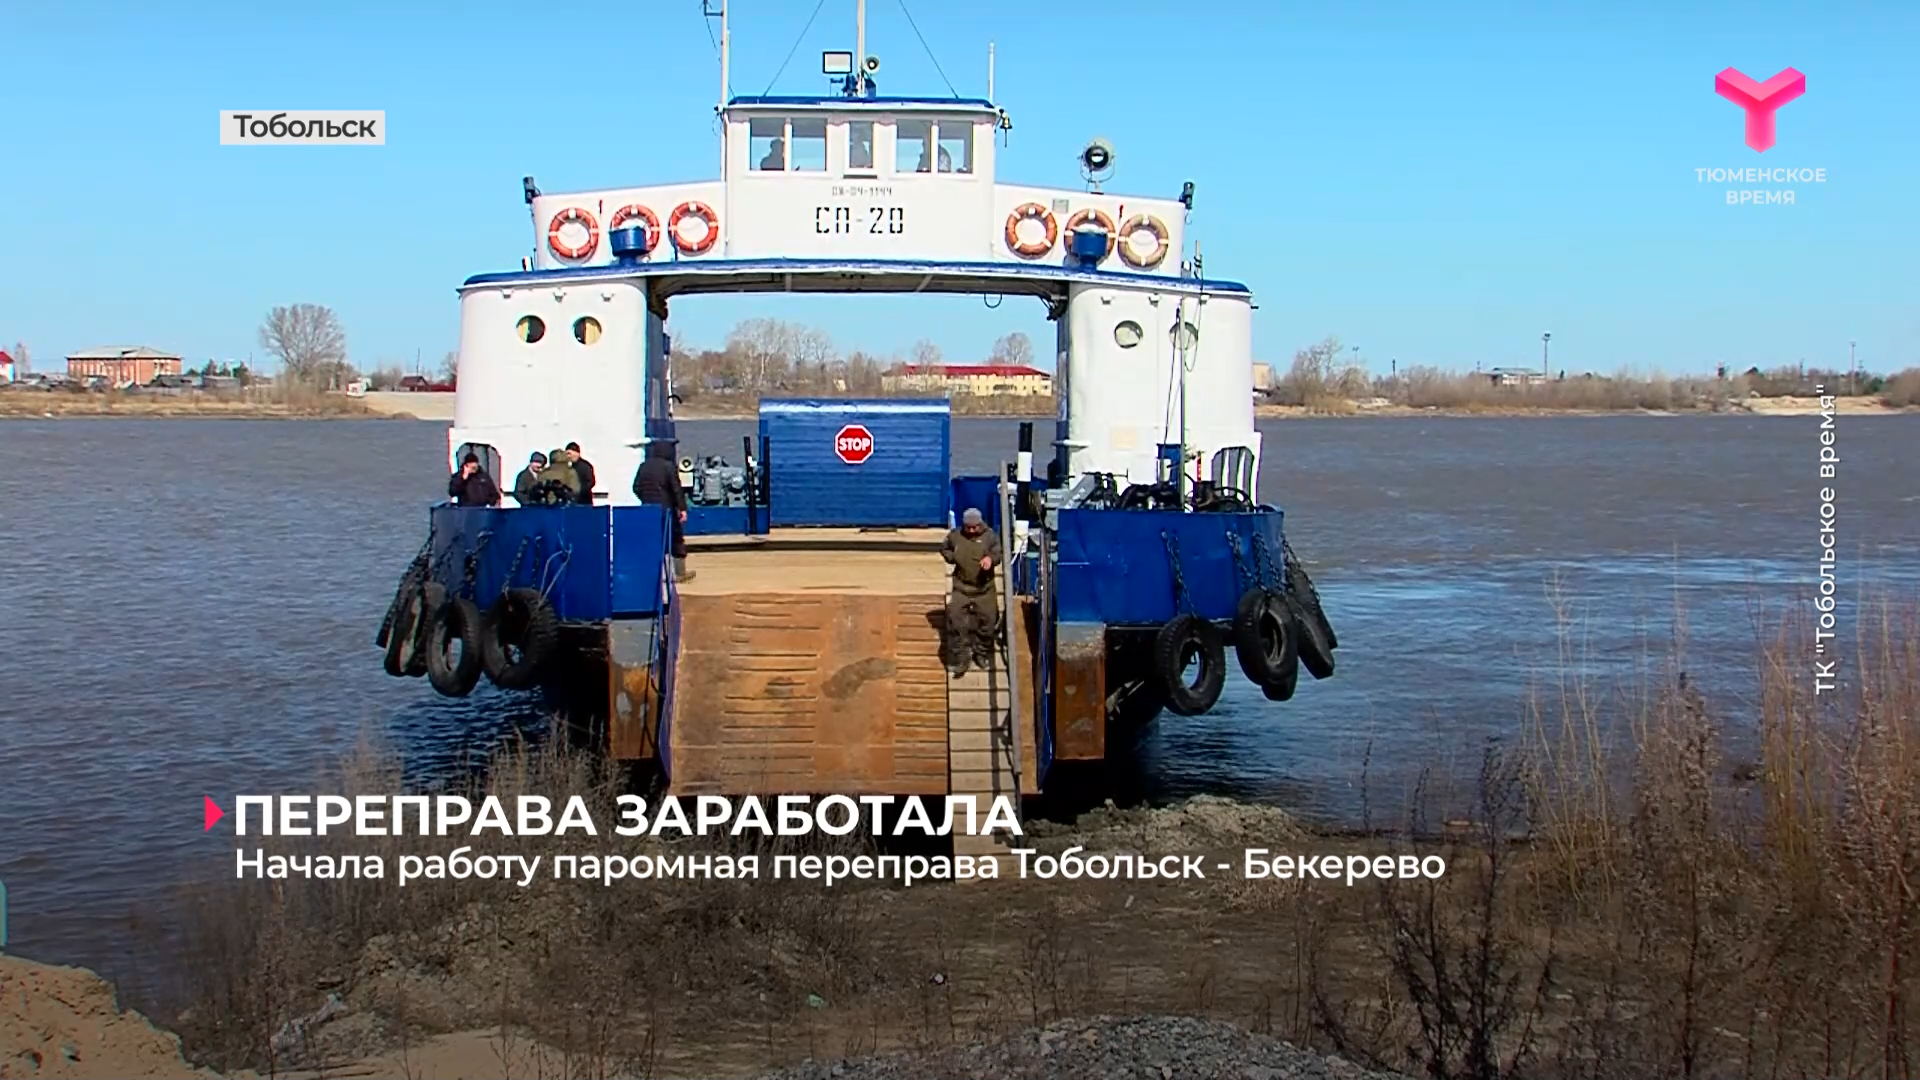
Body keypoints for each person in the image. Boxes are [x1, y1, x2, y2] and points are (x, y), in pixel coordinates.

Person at [940, 507, 1002, 676]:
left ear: (980, 524)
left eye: (975, 527)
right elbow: (944, 548)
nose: (972, 530)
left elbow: (998, 553)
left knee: (989, 622)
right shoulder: (955, 536)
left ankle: (981, 652)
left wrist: (991, 559)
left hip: (984, 588)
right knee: (955, 621)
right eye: (969, 527)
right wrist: (952, 557)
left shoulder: (990, 536)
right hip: (962, 587)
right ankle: (962, 656)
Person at [632, 439, 693, 581]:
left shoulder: (643, 466)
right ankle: (678, 573)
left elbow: (636, 487)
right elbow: (676, 490)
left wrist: (645, 499)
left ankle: (652, 572)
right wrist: (682, 508)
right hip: (666, 510)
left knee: (653, 539)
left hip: (648, 510)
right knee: (675, 538)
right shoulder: (668, 467)